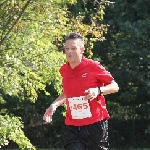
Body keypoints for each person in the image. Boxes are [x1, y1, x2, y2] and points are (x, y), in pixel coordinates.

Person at [43, 32, 119, 150]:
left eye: (73, 48)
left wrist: (98, 90)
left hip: (96, 124)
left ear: (82, 49)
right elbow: (68, 92)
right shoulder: (64, 70)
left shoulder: (93, 66)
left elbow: (115, 86)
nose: (69, 52)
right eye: (67, 48)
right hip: (73, 126)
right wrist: (54, 105)